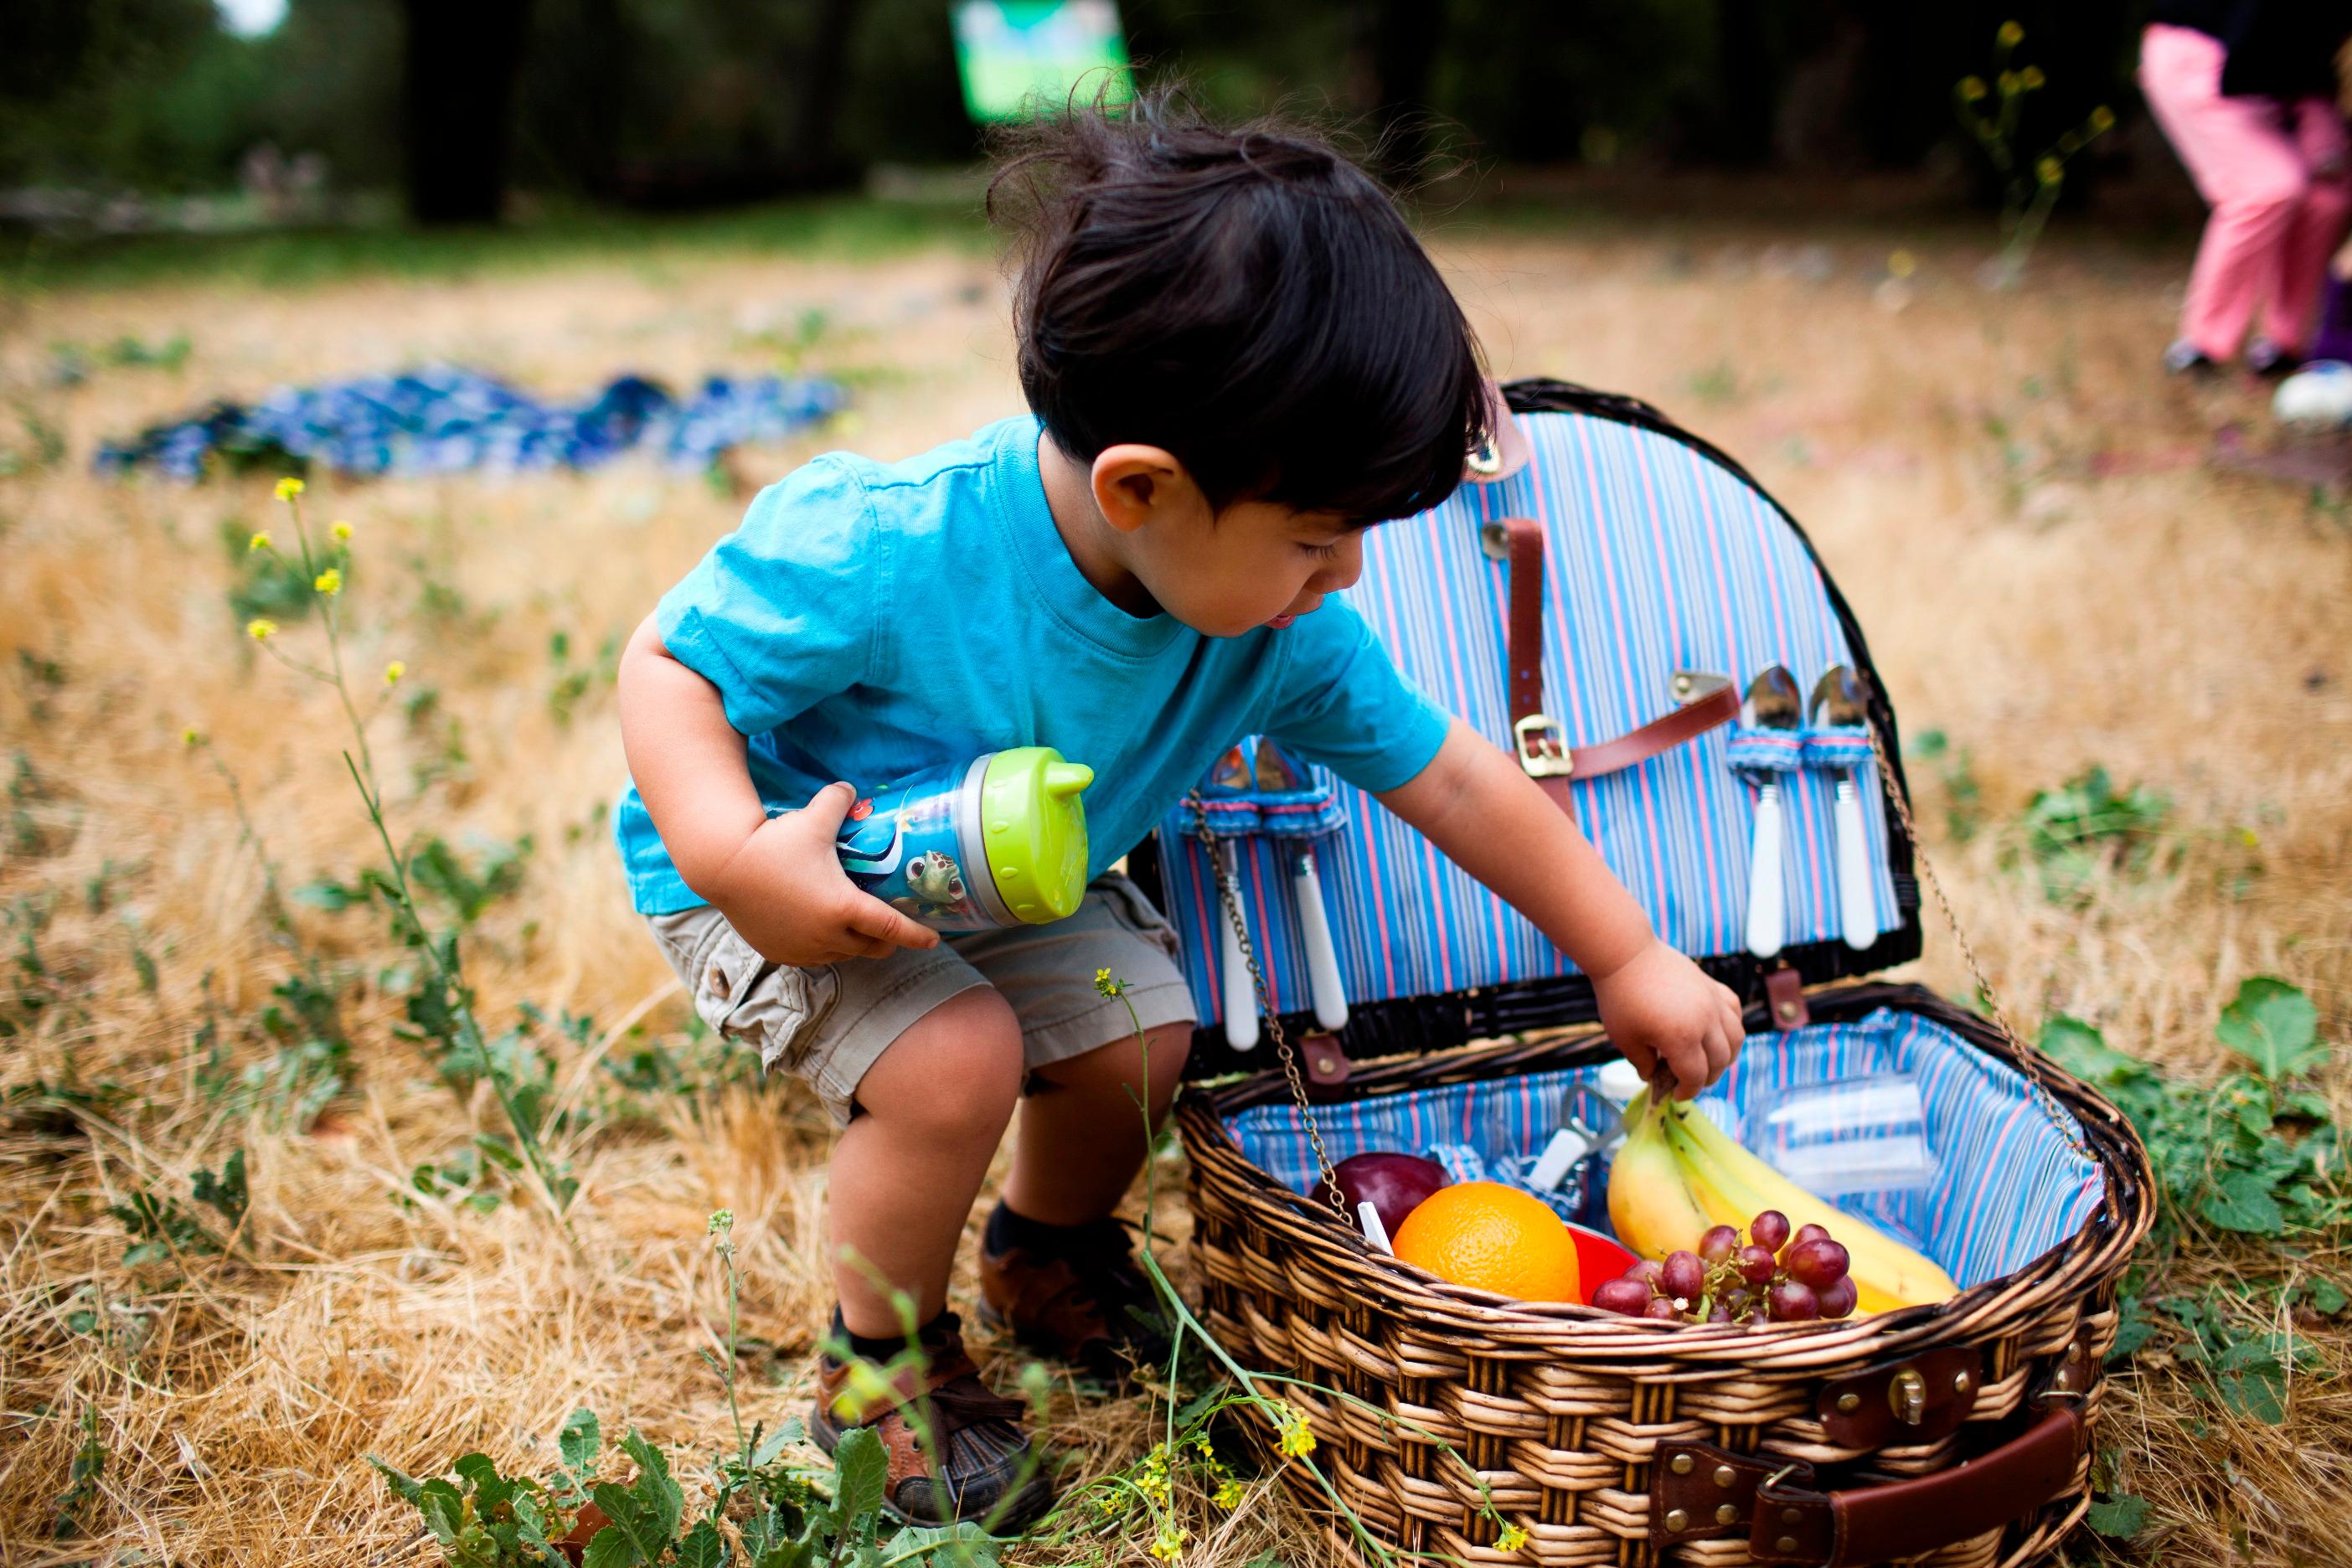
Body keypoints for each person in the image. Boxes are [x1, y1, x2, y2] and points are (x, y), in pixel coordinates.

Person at [612, 90, 1746, 1528]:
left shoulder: (1270, 618)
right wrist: (733, 856)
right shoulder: (890, 544)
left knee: (1144, 1030)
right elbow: (669, 662)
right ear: (1140, 487)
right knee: (955, 1056)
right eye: (1315, 540)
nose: (1341, 581)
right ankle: (873, 1366)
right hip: (783, 859)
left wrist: (1624, 950)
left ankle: (1046, 1250)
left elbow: (1451, 772)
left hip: (1003, 873)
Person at [2140, 1, 2352, 376]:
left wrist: (2316, 114)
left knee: (2328, 198)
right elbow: (2255, 46)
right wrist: (2300, 110)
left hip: (2283, 75)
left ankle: (2284, 346)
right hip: (2207, 55)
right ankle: (2201, 348)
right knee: (2266, 188)